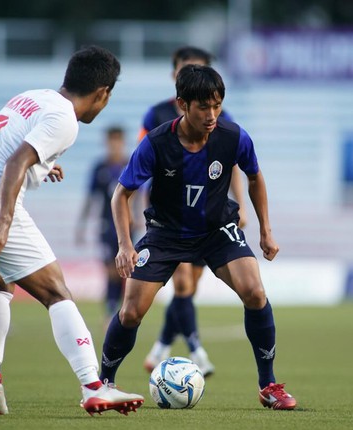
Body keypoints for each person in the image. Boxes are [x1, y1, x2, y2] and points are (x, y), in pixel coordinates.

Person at [0, 46, 144, 416]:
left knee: (0, 284)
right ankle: (93, 386)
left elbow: (1, 150)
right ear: (103, 94)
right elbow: (16, 160)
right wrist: (2, 220)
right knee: (57, 292)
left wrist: (41, 168)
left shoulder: (30, 98)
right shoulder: (66, 119)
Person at [101, 64, 297, 410]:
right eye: (204, 106)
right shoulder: (157, 143)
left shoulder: (233, 137)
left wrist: (266, 229)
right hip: (165, 233)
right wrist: (125, 245)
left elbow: (255, 177)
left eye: (217, 105)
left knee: (255, 291)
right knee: (131, 311)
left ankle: (268, 385)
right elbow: (122, 195)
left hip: (216, 230)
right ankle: (104, 383)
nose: (212, 115)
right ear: (182, 104)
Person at [140, 46, 248, 376]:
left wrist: (240, 205)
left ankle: (159, 347)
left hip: (209, 216)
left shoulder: (220, 118)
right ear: (175, 74)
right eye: (186, 68)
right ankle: (197, 352)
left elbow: (234, 164)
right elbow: (141, 162)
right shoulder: (156, 115)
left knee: (188, 290)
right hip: (171, 216)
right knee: (183, 285)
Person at [76, 126, 133, 321]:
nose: (115, 145)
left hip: (128, 226)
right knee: (111, 270)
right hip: (107, 225)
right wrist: (81, 226)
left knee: (126, 270)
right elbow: (91, 199)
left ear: (123, 142)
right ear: (107, 142)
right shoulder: (100, 168)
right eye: (112, 141)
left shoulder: (130, 164)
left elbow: (140, 194)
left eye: (118, 141)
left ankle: (121, 311)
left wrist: (141, 218)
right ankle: (110, 312)